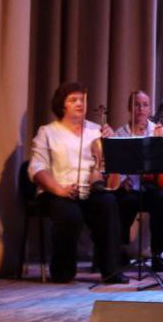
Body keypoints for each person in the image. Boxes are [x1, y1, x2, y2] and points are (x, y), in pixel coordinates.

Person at [26, 82, 123, 283]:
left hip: (90, 191)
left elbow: (113, 172)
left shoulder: (96, 131)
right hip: (57, 192)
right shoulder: (48, 132)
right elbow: (36, 169)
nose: (79, 103)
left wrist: (112, 144)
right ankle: (62, 270)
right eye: (73, 100)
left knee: (108, 203)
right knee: (70, 215)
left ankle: (112, 271)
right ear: (62, 105)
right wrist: (59, 189)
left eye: (82, 99)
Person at [110, 90, 163, 272]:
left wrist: (162, 142)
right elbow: (115, 163)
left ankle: (157, 253)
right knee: (122, 203)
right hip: (131, 188)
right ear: (129, 108)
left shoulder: (158, 131)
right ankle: (120, 249)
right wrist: (122, 181)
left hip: (153, 187)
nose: (141, 109)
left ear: (149, 108)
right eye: (136, 104)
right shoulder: (120, 133)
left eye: (145, 105)